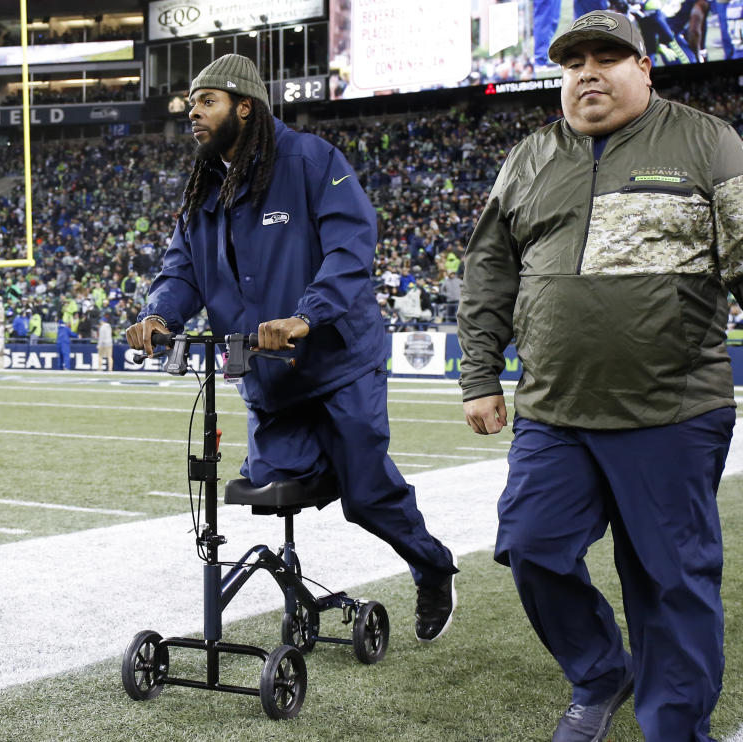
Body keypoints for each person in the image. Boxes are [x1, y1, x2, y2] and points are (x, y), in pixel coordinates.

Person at [458, 11, 743, 742]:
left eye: (607, 57)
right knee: (530, 546)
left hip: (672, 409)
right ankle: (599, 672)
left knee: (668, 584)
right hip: (556, 409)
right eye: (574, 61)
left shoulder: (707, 141)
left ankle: (675, 729)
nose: (588, 71)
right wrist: (480, 376)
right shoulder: (528, 156)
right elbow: (490, 271)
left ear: (644, 68)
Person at [126, 54, 457, 642]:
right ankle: (337, 460)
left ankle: (431, 565)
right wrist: (159, 314)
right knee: (269, 482)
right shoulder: (204, 187)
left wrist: (307, 315)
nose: (192, 114)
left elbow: (351, 248)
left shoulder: (310, 159)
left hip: (338, 364)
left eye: (207, 102)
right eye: (191, 104)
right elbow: (182, 274)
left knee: (366, 496)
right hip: (268, 376)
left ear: (244, 106)